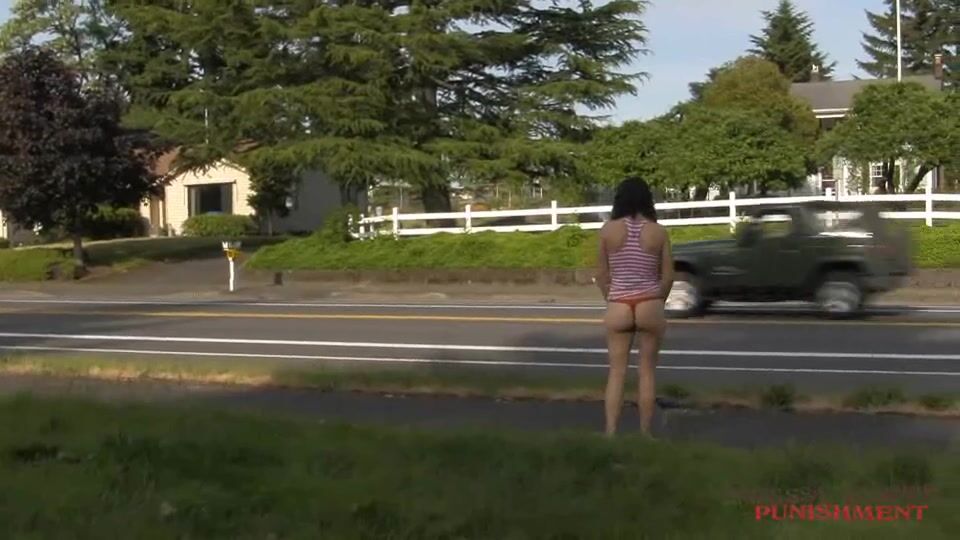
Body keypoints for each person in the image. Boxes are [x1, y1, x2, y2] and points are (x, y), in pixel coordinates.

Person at [594, 177, 674, 437]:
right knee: (647, 372)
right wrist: (658, 300)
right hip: (649, 303)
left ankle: (610, 432)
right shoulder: (658, 232)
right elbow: (668, 277)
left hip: (619, 304)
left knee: (616, 372)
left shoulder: (607, 231)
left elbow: (601, 275)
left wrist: (612, 298)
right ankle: (645, 433)